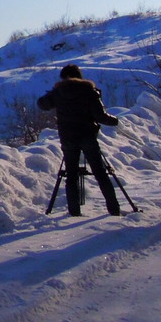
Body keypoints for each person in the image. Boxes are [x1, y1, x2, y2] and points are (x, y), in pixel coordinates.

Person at [38, 64, 121, 217]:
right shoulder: (89, 91)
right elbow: (100, 116)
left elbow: (42, 104)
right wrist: (115, 121)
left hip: (68, 138)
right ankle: (114, 209)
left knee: (71, 175)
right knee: (100, 173)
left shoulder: (58, 92)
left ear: (63, 77)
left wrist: (54, 94)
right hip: (88, 136)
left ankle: (74, 212)